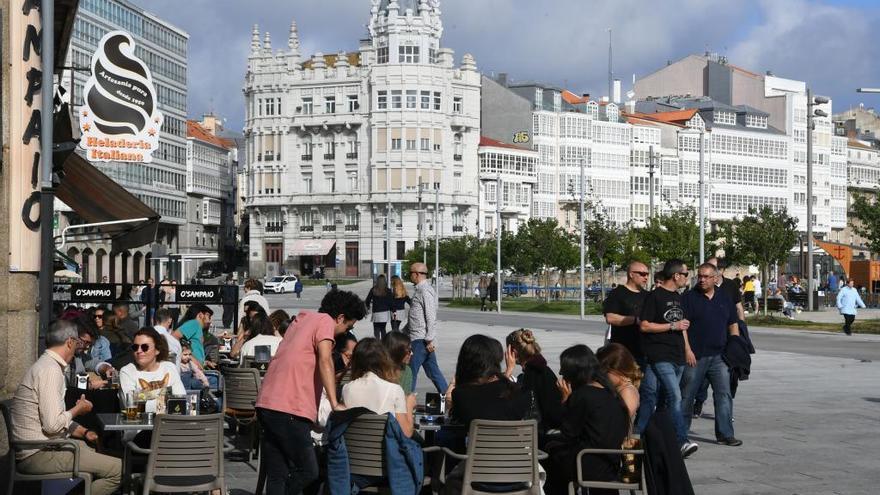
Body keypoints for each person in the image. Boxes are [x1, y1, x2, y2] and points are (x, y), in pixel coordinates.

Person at [256, 290, 367, 495]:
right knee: (309, 470)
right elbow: (325, 359)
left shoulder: (302, 320)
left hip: (267, 402)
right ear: (340, 317)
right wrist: (335, 403)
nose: (344, 333)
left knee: (278, 473)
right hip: (289, 407)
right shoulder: (325, 321)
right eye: (347, 327)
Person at [10, 320, 122, 495]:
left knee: (92, 447)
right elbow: (53, 425)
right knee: (117, 469)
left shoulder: (47, 365)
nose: (80, 347)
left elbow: (53, 420)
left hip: (43, 448)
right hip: (37, 454)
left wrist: (84, 432)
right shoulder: (50, 370)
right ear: (70, 342)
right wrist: (78, 409)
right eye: (78, 342)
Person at [544, 344, 630, 495]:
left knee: (547, 451)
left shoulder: (583, 395)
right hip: (611, 464)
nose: (561, 374)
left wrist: (565, 399)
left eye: (564, 371)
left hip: (589, 463)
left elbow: (568, 431)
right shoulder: (611, 394)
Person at [635, 259, 698, 458]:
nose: (687, 278)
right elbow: (644, 325)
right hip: (659, 354)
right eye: (686, 274)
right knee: (675, 396)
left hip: (677, 354)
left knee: (653, 397)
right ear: (676, 276)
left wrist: (688, 349)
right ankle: (681, 441)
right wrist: (671, 327)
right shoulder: (655, 296)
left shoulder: (679, 297)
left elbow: (683, 326)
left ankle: (639, 435)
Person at [680, 263, 742, 447]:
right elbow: (683, 327)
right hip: (695, 356)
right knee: (687, 396)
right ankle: (681, 435)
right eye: (700, 276)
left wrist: (735, 345)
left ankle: (725, 434)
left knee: (724, 395)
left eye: (706, 276)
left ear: (716, 278)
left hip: (720, 356)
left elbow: (733, 323)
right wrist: (687, 350)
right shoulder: (689, 298)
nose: (702, 279)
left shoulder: (724, 297)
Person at [445, 334, 529, 429]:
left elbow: (453, 420)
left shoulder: (461, 395)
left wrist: (454, 381)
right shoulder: (516, 391)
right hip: (513, 443)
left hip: (476, 443)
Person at [342, 338, 417, 437]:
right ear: (384, 360)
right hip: (385, 450)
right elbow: (406, 433)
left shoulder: (347, 389)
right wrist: (409, 405)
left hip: (353, 450)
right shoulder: (394, 390)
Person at [503, 329, 563, 432]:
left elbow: (500, 402)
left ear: (512, 352)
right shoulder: (541, 370)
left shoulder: (529, 375)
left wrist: (508, 371)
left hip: (538, 434)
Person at [119, 327, 186, 412]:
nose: (139, 351)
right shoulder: (127, 371)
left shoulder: (169, 367)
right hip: (139, 423)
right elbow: (133, 405)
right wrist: (166, 396)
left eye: (144, 347)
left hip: (167, 422)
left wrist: (143, 398)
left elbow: (181, 400)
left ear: (157, 350)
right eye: (135, 347)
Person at [406, 262, 448, 393]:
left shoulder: (425, 291)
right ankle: (449, 399)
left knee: (409, 373)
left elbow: (430, 316)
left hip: (420, 340)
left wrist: (429, 339)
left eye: (410, 273)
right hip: (420, 339)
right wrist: (402, 332)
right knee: (433, 372)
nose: (409, 275)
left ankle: (405, 403)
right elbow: (416, 317)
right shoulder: (420, 290)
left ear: (417, 274)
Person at [602, 261, 649, 362]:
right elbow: (610, 318)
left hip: (644, 351)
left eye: (647, 274)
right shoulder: (617, 293)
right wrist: (635, 320)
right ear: (631, 274)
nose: (646, 277)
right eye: (642, 274)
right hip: (622, 352)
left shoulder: (648, 296)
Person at [596, 343, 641, 419]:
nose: (602, 377)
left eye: (605, 372)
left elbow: (621, 421)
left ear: (618, 370)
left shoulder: (627, 391)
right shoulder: (618, 388)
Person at [365, 274, 392, 339]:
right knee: (383, 329)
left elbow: (367, 300)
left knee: (376, 329)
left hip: (376, 312)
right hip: (385, 312)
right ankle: (383, 343)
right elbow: (391, 301)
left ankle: (377, 343)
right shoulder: (388, 290)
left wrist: (367, 307)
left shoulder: (373, 290)